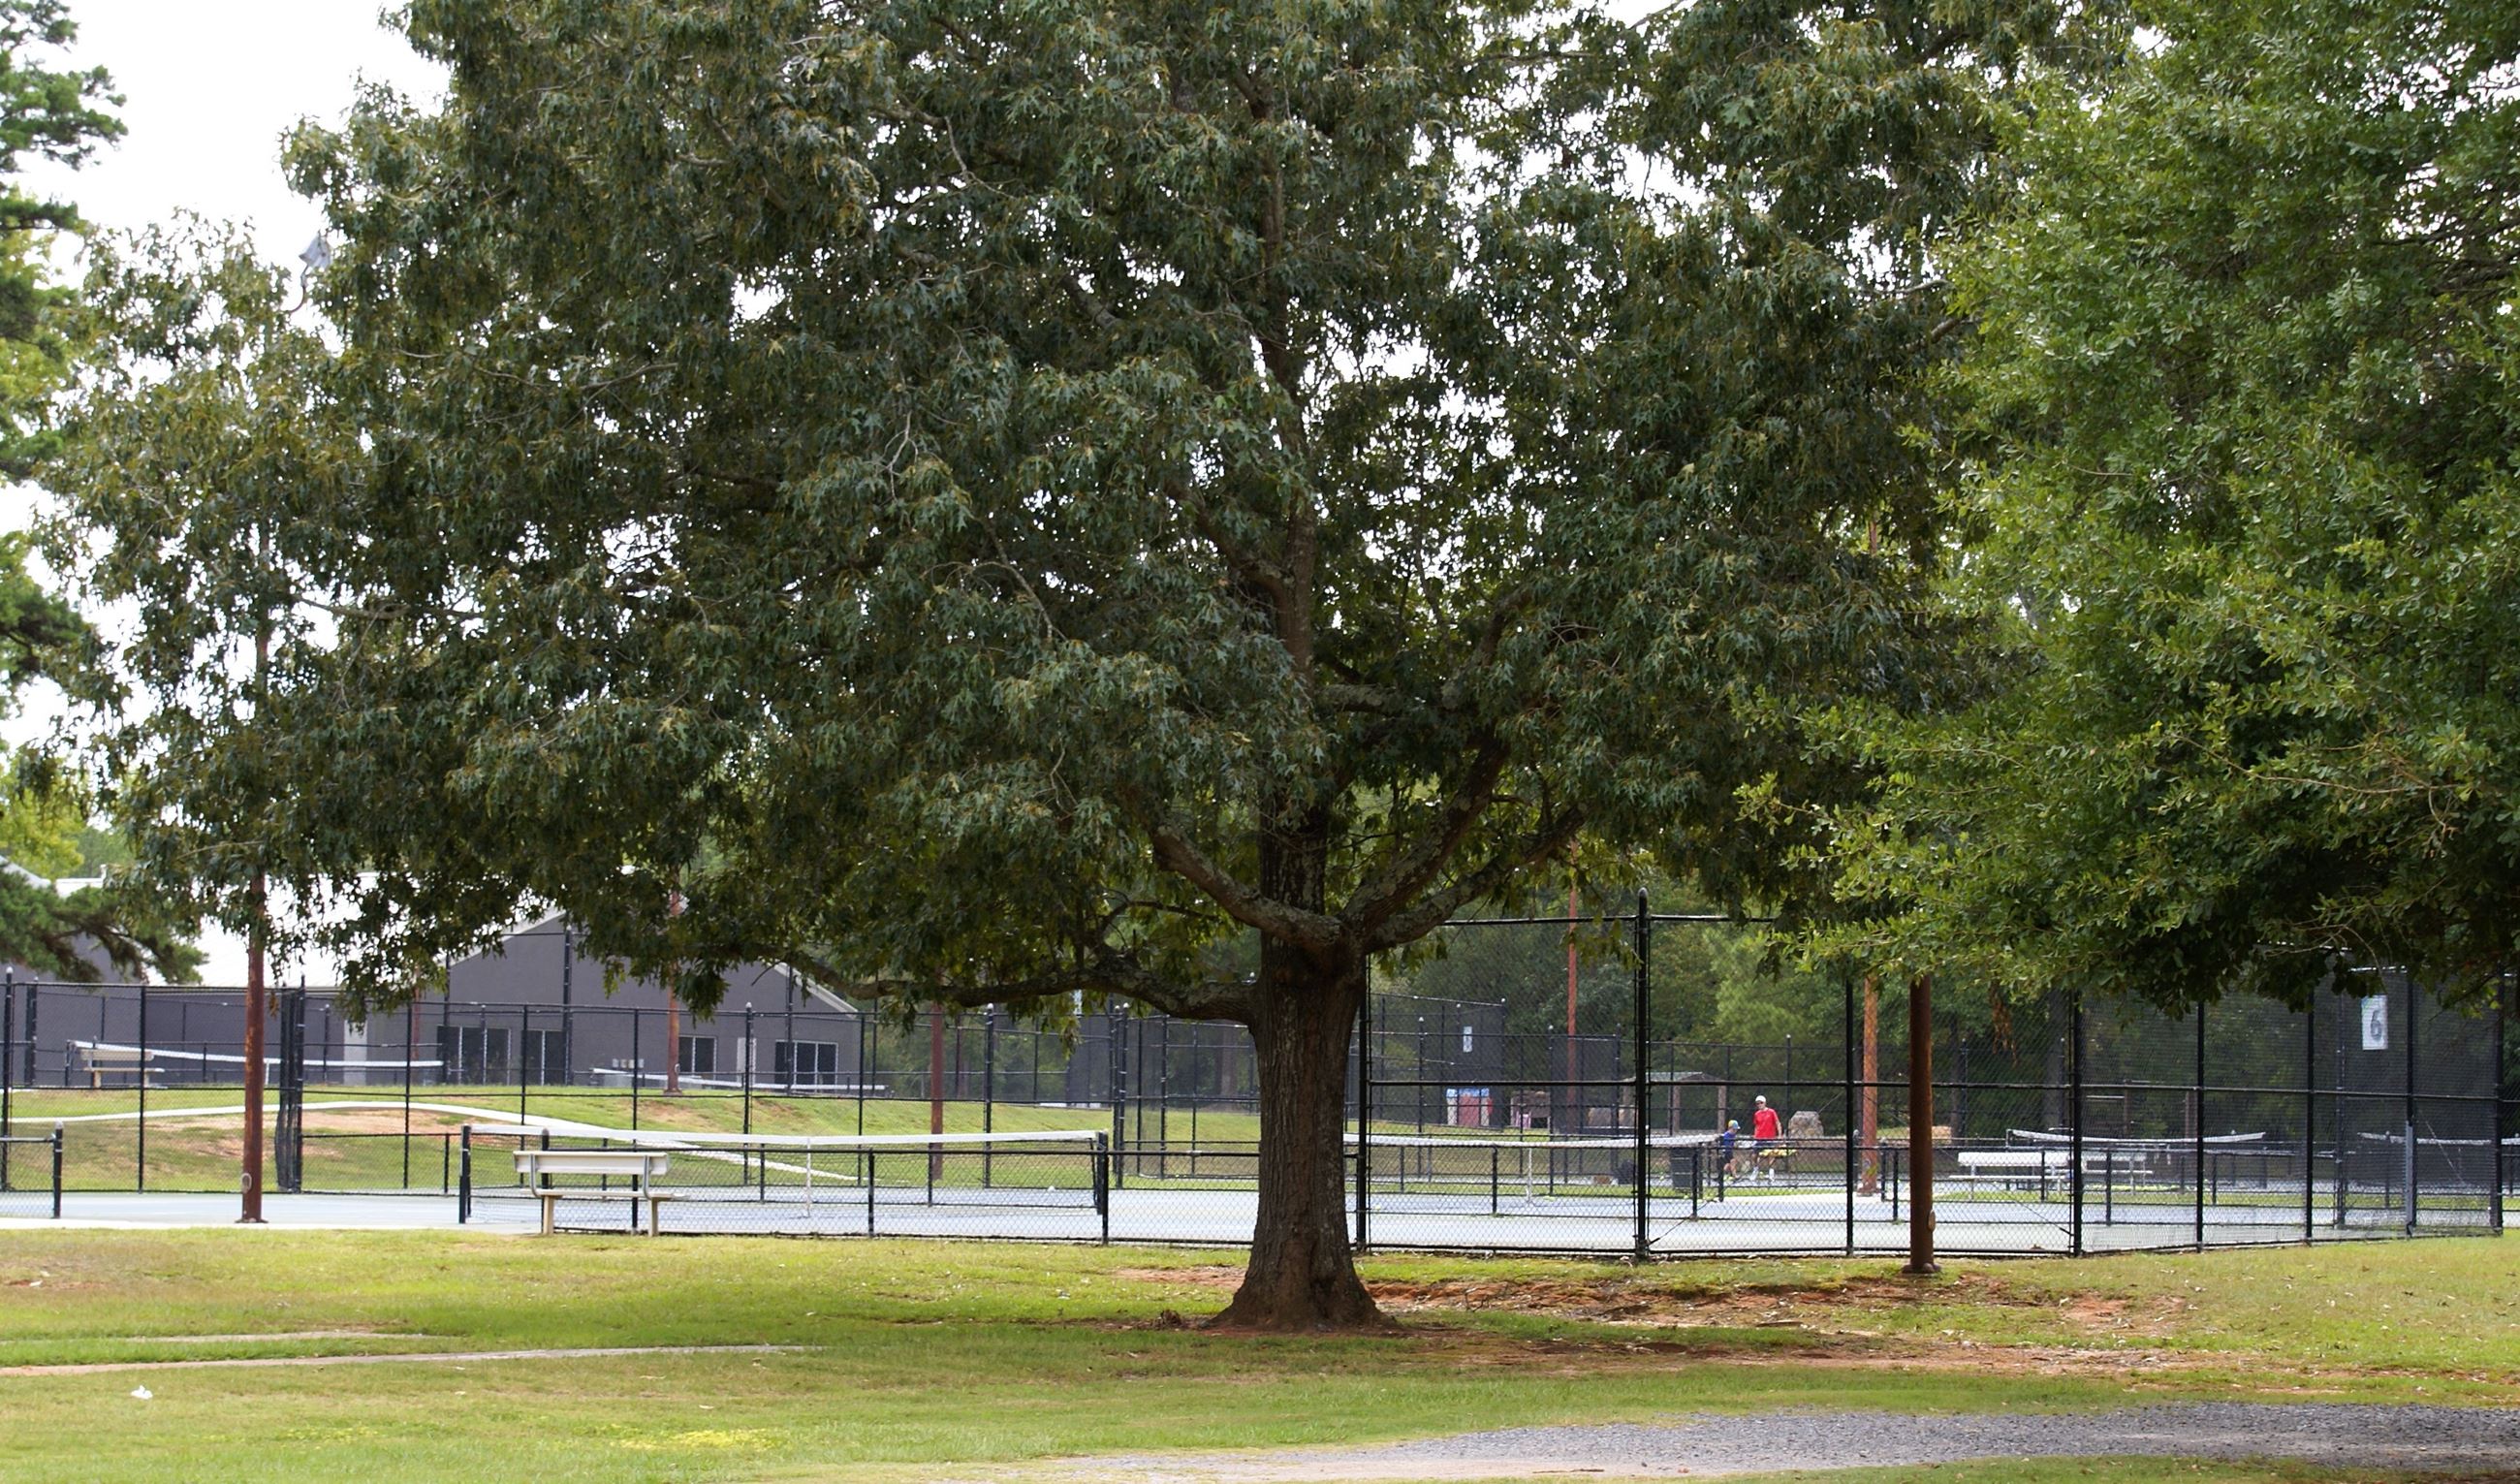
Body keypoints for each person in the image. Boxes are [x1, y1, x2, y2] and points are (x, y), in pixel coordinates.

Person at [1750, 1095, 1782, 1184]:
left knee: (1771, 1155)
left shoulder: (1771, 1112)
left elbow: (1777, 1123)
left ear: (1765, 1103)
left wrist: (1780, 1134)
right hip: (1759, 1138)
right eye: (1758, 1103)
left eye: (1761, 1103)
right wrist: (1755, 1135)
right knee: (1754, 1155)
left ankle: (1771, 1174)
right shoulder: (1757, 1114)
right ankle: (1755, 1170)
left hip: (1770, 1138)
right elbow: (1756, 1126)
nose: (1759, 1105)